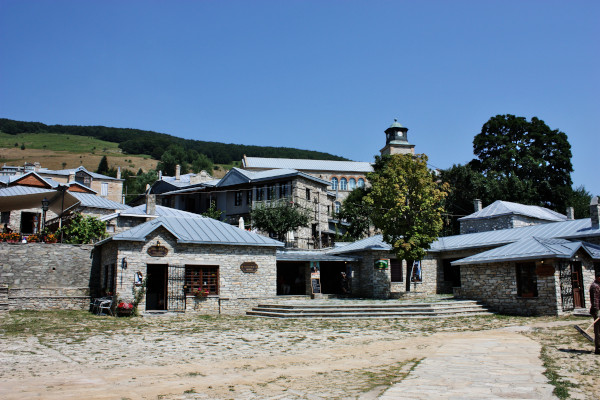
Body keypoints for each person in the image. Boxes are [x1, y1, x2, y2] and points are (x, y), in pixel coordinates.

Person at [590, 274, 600, 355]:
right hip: (597, 310)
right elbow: (594, 300)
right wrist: (596, 311)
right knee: (598, 330)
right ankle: (598, 348)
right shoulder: (595, 286)